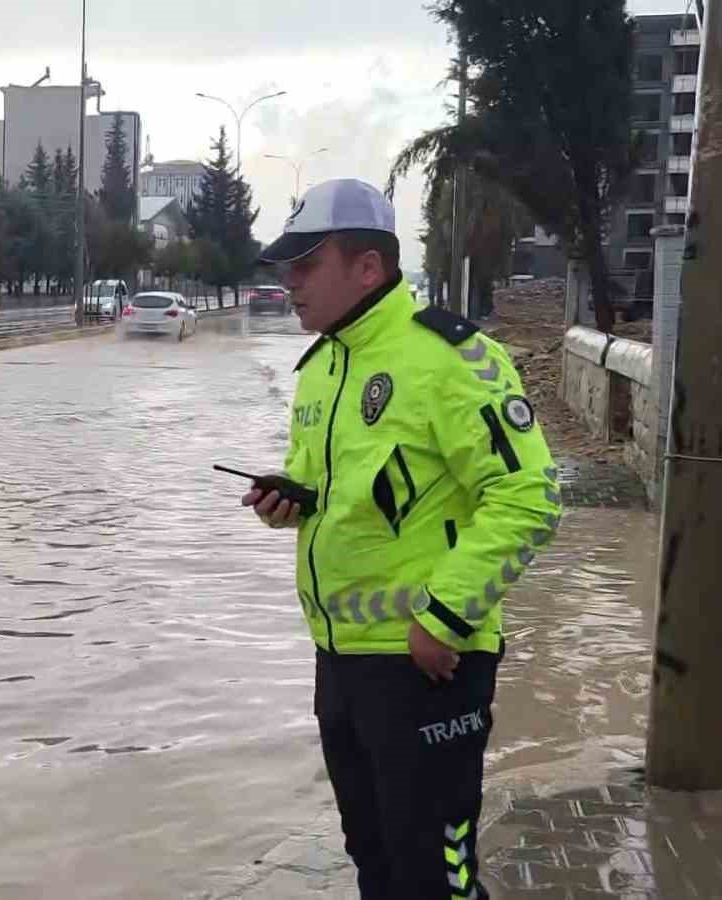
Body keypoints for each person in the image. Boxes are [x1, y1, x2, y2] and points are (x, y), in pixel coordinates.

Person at [239, 178, 562, 899]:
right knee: (376, 858)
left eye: (306, 264)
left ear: (367, 268)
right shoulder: (321, 366)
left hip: (427, 665)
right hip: (342, 659)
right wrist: (287, 498)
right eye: (286, 267)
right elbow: (334, 484)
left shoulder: (449, 358)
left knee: (436, 876)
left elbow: (530, 495)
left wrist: (443, 619)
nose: (290, 282)